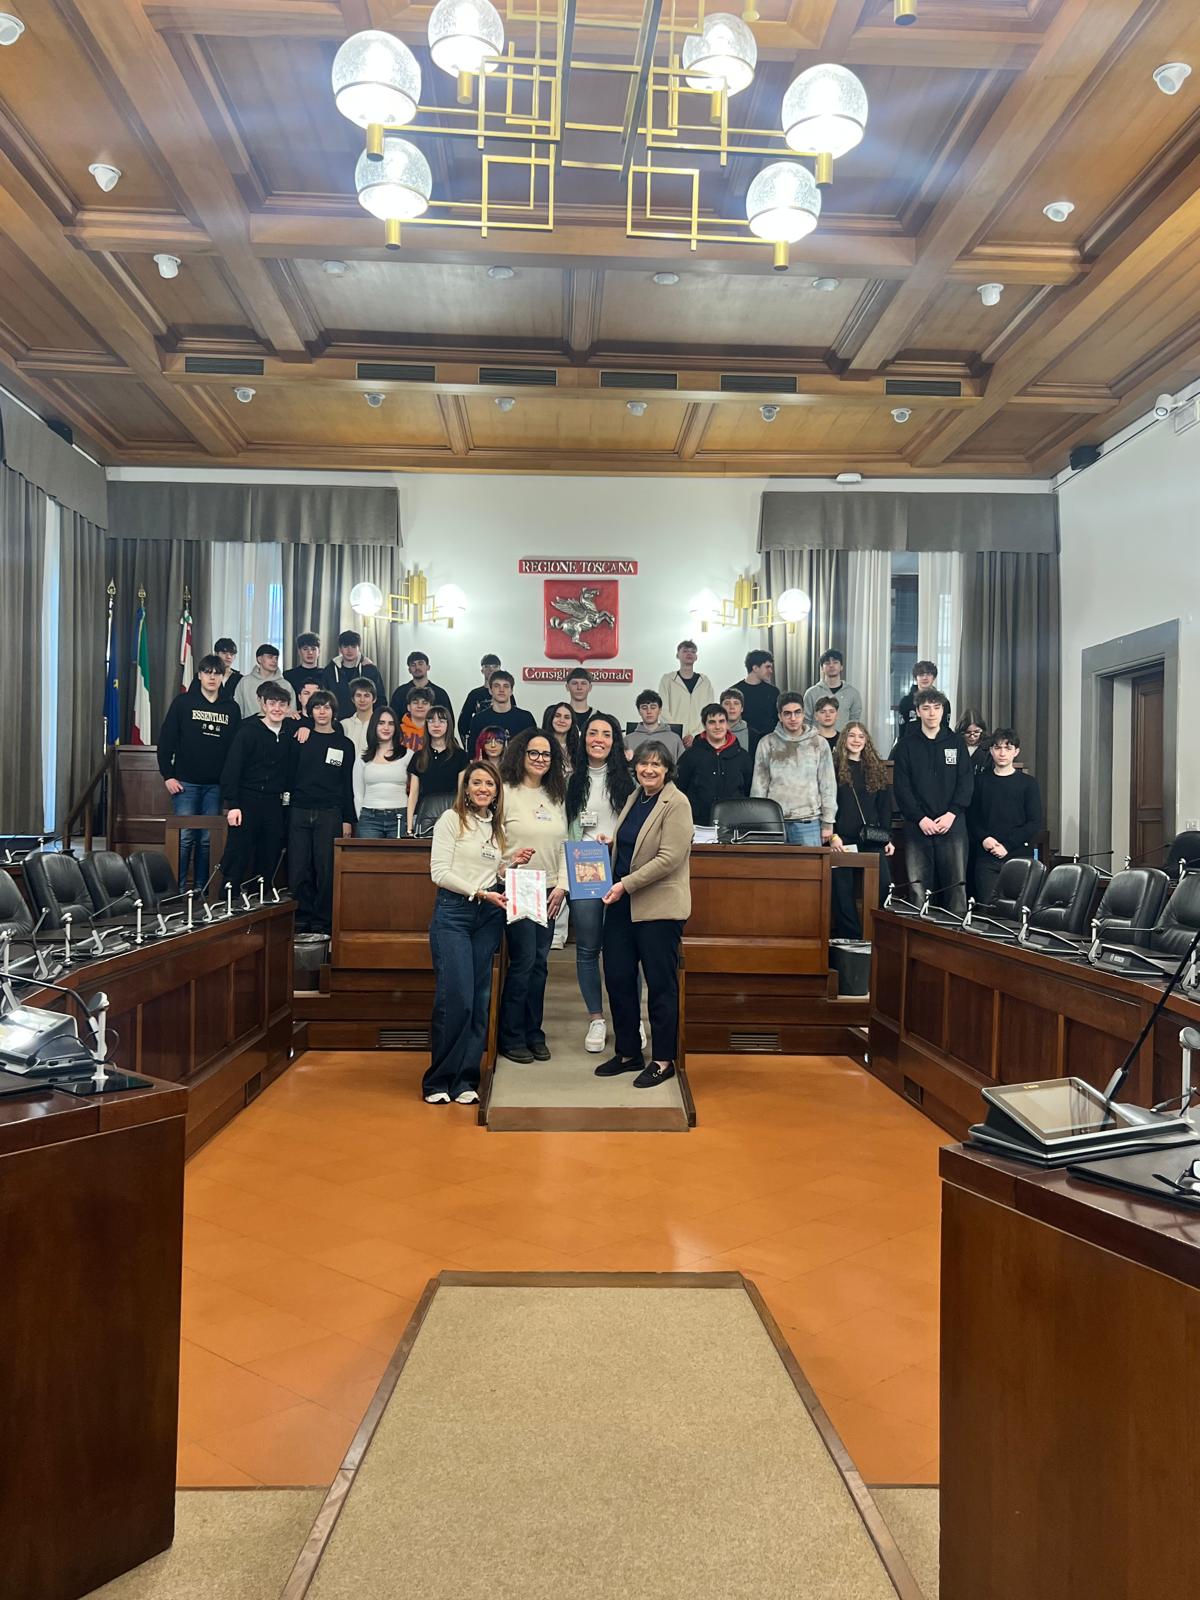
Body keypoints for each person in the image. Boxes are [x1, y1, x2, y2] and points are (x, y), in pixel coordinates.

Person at [423, 762, 532, 1106]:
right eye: (477, 783)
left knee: (479, 998)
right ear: (466, 789)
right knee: (456, 997)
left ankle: (466, 1080)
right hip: (453, 914)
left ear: (497, 792)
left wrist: (511, 865)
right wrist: (480, 893)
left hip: (488, 917)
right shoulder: (451, 820)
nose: (484, 788)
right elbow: (439, 873)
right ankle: (438, 1080)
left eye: (490, 784)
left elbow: (489, 872)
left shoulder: (495, 828)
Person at [595, 741, 692, 1088]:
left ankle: (663, 1060)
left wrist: (625, 884)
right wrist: (611, 845)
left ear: (667, 770)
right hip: (622, 904)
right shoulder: (636, 796)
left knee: (660, 985)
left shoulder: (677, 803)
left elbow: (669, 858)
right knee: (618, 977)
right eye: (643, 764)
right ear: (634, 767)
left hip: (658, 909)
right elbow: (635, 844)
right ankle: (628, 1052)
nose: (648, 770)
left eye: (656, 764)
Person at [496, 728, 568, 1064]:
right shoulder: (505, 791)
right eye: (534, 753)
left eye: (546, 754)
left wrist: (563, 886)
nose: (540, 759)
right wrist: (506, 867)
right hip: (520, 884)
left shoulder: (556, 794)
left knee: (540, 964)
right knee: (524, 961)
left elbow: (565, 843)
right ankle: (511, 1036)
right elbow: (494, 841)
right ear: (520, 755)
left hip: (550, 887)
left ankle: (533, 1032)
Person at [565, 713, 635, 1054]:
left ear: (615, 741)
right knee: (588, 948)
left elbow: (636, 825)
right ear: (584, 739)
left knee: (624, 949)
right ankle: (596, 1018)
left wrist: (615, 841)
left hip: (619, 867)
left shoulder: (628, 781)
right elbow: (566, 827)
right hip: (584, 869)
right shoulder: (570, 780)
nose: (599, 739)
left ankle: (631, 1018)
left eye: (606, 734)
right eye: (593, 733)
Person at [157, 653, 240, 889]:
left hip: (216, 786)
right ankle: (177, 890)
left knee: (207, 840)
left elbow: (235, 751)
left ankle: (203, 890)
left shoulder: (231, 708)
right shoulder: (183, 703)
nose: (212, 677)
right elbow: (166, 740)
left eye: (217, 673)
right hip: (185, 783)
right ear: (200, 675)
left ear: (223, 677)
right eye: (207, 673)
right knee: (184, 838)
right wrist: (168, 775)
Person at [892, 689, 973, 916]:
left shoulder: (956, 742)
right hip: (918, 825)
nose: (931, 713)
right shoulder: (906, 745)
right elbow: (902, 788)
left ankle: (955, 934)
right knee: (918, 889)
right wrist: (920, 818)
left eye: (936, 708)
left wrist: (952, 813)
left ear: (943, 710)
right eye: (926, 708)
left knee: (956, 887)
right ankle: (919, 934)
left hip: (952, 824)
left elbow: (966, 782)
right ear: (918, 712)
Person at [286, 689, 356, 937]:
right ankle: (301, 918)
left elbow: (346, 784)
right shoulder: (300, 738)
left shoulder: (344, 744)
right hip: (299, 810)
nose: (322, 712)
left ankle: (323, 921)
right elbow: (288, 775)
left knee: (326, 869)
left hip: (330, 812)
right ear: (310, 711)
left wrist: (348, 819)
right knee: (298, 868)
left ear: (334, 711)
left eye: (327, 707)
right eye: (317, 707)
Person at [219, 681, 295, 894]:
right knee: (238, 853)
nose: (277, 708)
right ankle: (228, 900)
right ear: (263, 705)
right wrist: (233, 805)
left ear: (288, 707)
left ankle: (259, 901)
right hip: (247, 800)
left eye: (282, 704)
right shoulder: (248, 732)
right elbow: (232, 769)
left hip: (274, 803)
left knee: (269, 853)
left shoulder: (289, 733)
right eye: (272, 703)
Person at [830, 722, 895, 938]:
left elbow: (884, 808)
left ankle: (878, 935)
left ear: (866, 741)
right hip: (842, 839)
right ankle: (852, 939)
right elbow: (829, 803)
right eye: (851, 735)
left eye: (861, 736)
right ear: (844, 739)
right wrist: (833, 835)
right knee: (842, 891)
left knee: (883, 887)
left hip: (872, 839)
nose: (856, 740)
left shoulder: (876, 768)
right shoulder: (833, 767)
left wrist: (887, 838)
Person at [968, 728, 1042, 904]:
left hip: (1018, 856)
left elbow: (1034, 822)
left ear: (1016, 752)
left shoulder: (1028, 784)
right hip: (986, 857)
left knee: (1017, 910)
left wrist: (1007, 845)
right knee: (987, 909)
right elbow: (971, 817)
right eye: (998, 748)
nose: (1002, 753)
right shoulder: (979, 781)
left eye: (1008, 748)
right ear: (991, 750)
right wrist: (985, 839)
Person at [750, 692, 836, 845]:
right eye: (787, 713)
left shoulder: (819, 743)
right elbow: (759, 786)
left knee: (810, 862)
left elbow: (827, 785)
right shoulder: (767, 743)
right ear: (780, 716)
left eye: (797, 712)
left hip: (809, 821)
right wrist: (759, 821)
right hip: (774, 821)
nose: (793, 718)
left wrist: (828, 822)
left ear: (803, 714)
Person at [675, 703, 753, 825]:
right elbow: (679, 789)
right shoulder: (690, 756)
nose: (717, 726)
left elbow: (748, 790)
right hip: (698, 823)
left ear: (727, 724)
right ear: (704, 725)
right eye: (712, 722)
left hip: (734, 823)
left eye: (721, 721)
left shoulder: (742, 756)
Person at [407, 706, 467, 835]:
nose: (436, 725)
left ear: (448, 725)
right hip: (423, 815)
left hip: (452, 815)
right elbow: (413, 794)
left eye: (441, 721)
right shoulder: (418, 756)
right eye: (431, 721)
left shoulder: (460, 756)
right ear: (426, 725)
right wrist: (409, 827)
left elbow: (461, 792)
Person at [354, 706, 411, 840]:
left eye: (391, 724)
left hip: (400, 817)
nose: (386, 728)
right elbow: (358, 794)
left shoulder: (408, 755)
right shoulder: (362, 758)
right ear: (374, 726)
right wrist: (361, 816)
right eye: (381, 723)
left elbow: (415, 790)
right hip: (369, 818)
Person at [657, 639, 714, 744]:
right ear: (677, 655)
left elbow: (710, 711)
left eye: (693, 651)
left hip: (699, 738)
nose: (689, 653)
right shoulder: (667, 680)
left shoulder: (705, 682)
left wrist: (694, 735)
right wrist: (679, 733)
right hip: (673, 737)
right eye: (685, 651)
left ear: (696, 657)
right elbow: (662, 710)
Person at [464, 669, 536, 753]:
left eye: (506, 686)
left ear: (511, 691)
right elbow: (473, 753)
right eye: (497, 686)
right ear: (490, 690)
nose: (501, 689)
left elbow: (534, 749)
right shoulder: (478, 720)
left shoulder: (526, 718)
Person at [323, 630, 385, 718]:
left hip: (366, 721)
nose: (349, 650)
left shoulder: (370, 670)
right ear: (340, 649)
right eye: (345, 646)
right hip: (336, 721)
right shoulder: (329, 671)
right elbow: (324, 699)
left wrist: (375, 720)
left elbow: (380, 698)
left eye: (353, 646)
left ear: (359, 648)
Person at [803, 650, 864, 733]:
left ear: (841, 667)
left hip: (842, 739)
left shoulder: (853, 693)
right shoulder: (811, 693)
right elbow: (806, 722)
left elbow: (854, 723)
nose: (831, 665)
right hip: (816, 739)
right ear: (822, 668)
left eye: (835, 662)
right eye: (827, 663)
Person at [391, 650, 454, 727]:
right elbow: (393, 720)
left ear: (428, 667)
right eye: (413, 665)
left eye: (420, 663)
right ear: (409, 670)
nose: (417, 667)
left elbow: (449, 722)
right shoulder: (400, 693)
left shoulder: (440, 693)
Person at [234, 644, 296, 719]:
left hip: (279, 725)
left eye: (276, 658)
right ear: (259, 659)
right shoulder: (245, 682)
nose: (274, 661)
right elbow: (237, 709)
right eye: (270, 657)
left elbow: (291, 711)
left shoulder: (285, 684)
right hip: (249, 724)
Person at [895, 661, 951, 743]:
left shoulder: (943, 702)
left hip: (936, 744)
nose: (925, 678)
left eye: (928, 674)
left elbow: (945, 728)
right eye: (921, 674)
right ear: (915, 678)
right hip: (911, 744)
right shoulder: (906, 702)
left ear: (934, 677)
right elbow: (902, 730)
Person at [626, 690, 685, 763]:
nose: (649, 711)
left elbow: (683, 766)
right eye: (644, 708)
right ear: (639, 711)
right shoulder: (628, 740)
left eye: (653, 707)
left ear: (660, 710)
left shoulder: (674, 739)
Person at [457, 653, 503, 742]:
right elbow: (463, 722)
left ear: (499, 669)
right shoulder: (474, 694)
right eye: (487, 666)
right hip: (480, 741)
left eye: (494, 666)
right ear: (482, 670)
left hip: (502, 740)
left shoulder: (505, 694)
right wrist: (468, 744)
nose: (491, 669)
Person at [739, 650, 779, 742]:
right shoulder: (736, 692)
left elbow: (777, 719)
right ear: (755, 668)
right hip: (744, 741)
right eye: (767, 667)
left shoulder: (773, 692)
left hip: (769, 742)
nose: (771, 671)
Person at [341, 676, 378, 759]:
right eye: (358, 695)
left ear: (374, 699)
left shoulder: (380, 724)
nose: (362, 700)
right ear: (352, 699)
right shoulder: (344, 725)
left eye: (367, 695)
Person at [542, 702, 577, 774]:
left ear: (572, 722)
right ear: (551, 719)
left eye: (566, 717)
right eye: (557, 716)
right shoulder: (542, 745)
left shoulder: (578, 747)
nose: (561, 720)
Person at [720, 686, 756, 756]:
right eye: (727, 703)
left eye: (736, 703)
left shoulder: (754, 736)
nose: (732, 707)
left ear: (742, 708)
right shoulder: (712, 734)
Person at [284, 633, 322, 698]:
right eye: (305, 649)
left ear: (319, 652)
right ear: (299, 651)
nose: (310, 653)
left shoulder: (326, 675)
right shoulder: (288, 676)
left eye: (313, 649)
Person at [956, 710, 992, 775]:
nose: (972, 737)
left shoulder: (990, 747)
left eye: (976, 732)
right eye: (968, 732)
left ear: (982, 730)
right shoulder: (954, 745)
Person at [400, 685, 432, 752]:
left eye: (424, 703)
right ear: (409, 707)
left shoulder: (435, 730)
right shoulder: (398, 730)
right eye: (415, 703)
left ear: (431, 708)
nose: (420, 706)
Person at [564, 667, 594, 735]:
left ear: (590, 687)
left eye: (583, 683)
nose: (579, 687)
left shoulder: (598, 717)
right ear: (567, 687)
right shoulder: (558, 717)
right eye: (574, 683)